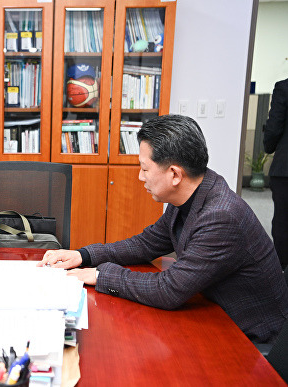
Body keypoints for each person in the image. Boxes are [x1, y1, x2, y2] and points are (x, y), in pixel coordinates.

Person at [39, 114, 288, 344]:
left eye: (145, 168)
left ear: (175, 175)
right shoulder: (193, 192)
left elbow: (169, 290)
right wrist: (83, 255)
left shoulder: (220, 217)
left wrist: (99, 275)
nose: (140, 177)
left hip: (253, 341)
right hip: (214, 314)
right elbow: (146, 244)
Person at [264, 77, 288, 270]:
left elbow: (274, 128)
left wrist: (269, 147)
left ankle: (281, 270)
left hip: (285, 168)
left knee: (283, 221)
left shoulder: (284, 87)